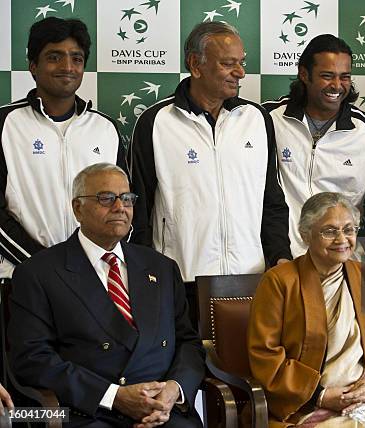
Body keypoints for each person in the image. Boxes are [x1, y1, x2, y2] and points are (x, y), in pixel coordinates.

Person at [8, 163, 204, 427]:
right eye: (106, 198)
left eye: (127, 199)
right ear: (78, 208)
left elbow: (188, 342)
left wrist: (173, 390)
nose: (120, 207)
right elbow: (32, 359)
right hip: (89, 412)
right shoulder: (38, 273)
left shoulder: (162, 267)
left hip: (163, 413)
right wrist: (114, 397)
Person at [130, 21, 291, 283]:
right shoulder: (156, 122)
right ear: (195, 64)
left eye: (242, 62)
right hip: (180, 281)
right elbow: (138, 208)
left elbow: (271, 200)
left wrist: (280, 256)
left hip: (251, 278)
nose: (240, 72)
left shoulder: (257, 119)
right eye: (228, 64)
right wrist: (149, 273)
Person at [248, 192, 365, 427]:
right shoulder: (279, 281)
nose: (342, 239)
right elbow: (265, 355)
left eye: (349, 230)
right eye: (329, 231)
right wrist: (322, 395)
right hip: (305, 406)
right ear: (305, 235)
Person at [0, 17, 126, 280]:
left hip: (93, 276)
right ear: (33, 66)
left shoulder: (105, 128)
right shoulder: (5, 124)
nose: (67, 67)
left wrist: (94, 257)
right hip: (23, 276)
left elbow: (125, 203)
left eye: (76, 58)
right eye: (54, 57)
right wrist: (40, 263)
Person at [264, 34, 365, 259]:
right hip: (284, 261)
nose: (337, 86)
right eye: (326, 76)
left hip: (342, 262)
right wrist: (278, 257)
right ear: (304, 74)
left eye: (345, 77)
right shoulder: (269, 119)